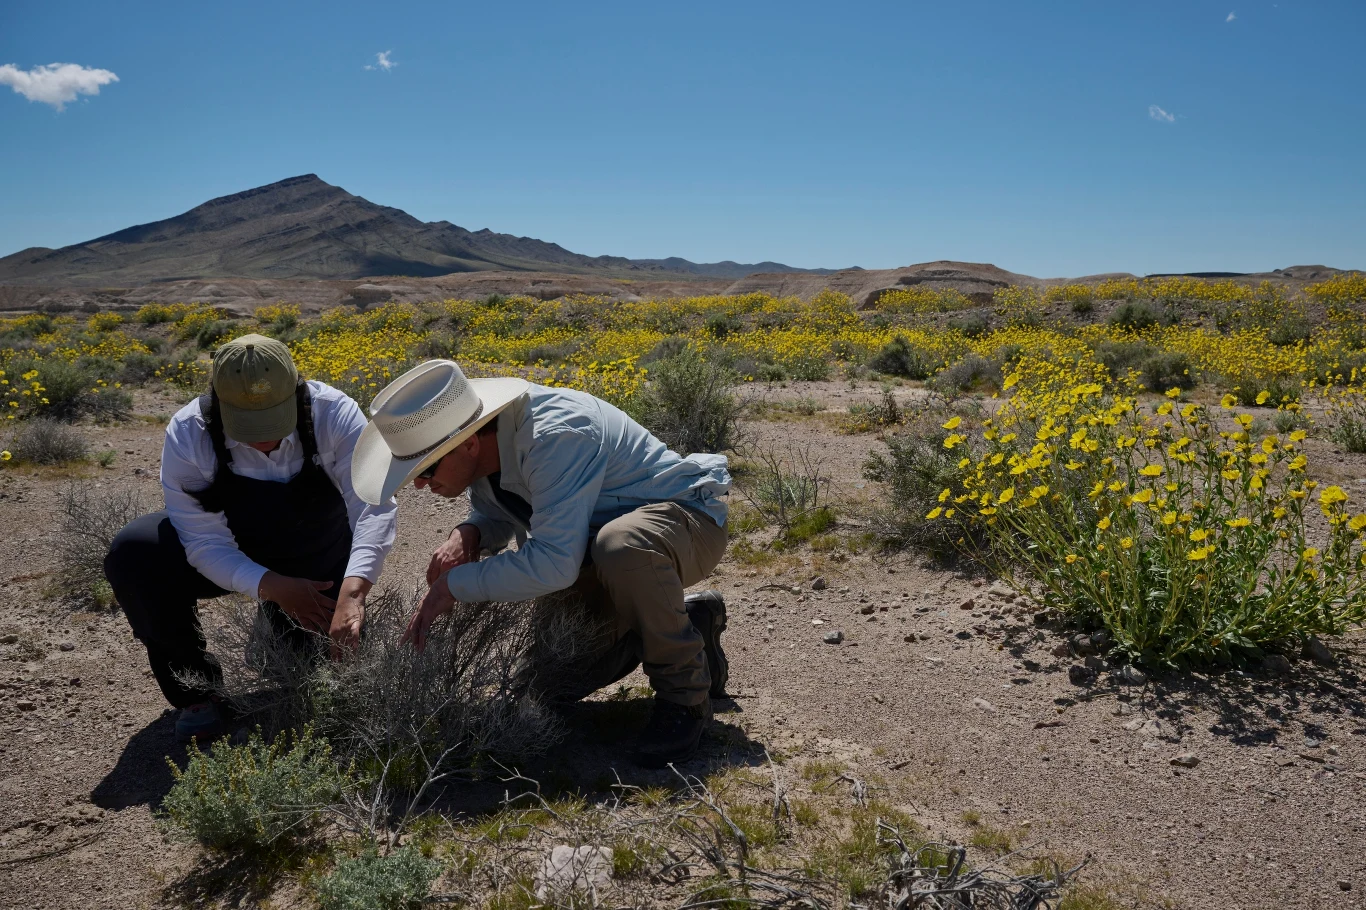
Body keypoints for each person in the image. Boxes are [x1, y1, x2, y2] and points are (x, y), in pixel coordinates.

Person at [352, 359, 731, 767]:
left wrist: (452, 585)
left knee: (621, 545)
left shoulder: (555, 436)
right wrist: (469, 533)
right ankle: (685, 623)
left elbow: (554, 563)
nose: (422, 486)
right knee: (550, 682)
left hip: (685, 524)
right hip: (593, 553)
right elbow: (502, 511)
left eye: (426, 469)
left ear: (467, 444)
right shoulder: (486, 445)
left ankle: (684, 697)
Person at [104, 334, 397, 743]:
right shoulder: (190, 432)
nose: (263, 440)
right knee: (136, 554)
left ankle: (276, 628)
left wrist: (353, 592)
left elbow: (373, 506)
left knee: (315, 677)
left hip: (315, 552)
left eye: (275, 421)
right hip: (238, 547)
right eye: (247, 425)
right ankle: (197, 694)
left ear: (297, 390)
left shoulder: (335, 414)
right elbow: (204, 542)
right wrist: (271, 586)